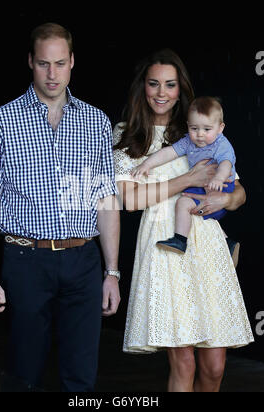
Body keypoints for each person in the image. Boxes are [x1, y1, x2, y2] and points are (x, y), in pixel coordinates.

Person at [0, 23, 121, 392]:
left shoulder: (96, 122)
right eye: (43, 64)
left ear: (72, 62)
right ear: (30, 62)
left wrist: (112, 272)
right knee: (23, 376)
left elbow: (105, 198)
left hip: (84, 261)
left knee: (81, 380)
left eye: (59, 63)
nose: (52, 74)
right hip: (26, 261)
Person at [113, 49, 254, 392]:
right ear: (142, 88)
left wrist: (228, 198)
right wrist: (187, 181)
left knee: (215, 366)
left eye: (170, 85)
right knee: (185, 361)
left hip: (205, 242)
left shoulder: (196, 129)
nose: (162, 92)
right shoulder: (126, 133)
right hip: (165, 244)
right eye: (154, 84)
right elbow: (129, 199)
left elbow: (238, 191)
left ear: (181, 89)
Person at [131, 96, 239, 261]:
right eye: (194, 128)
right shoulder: (189, 141)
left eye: (207, 129)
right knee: (193, 205)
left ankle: (180, 240)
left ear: (220, 128)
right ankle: (227, 242)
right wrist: (146, 164)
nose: (200, 135)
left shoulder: (221, 144)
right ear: (188, 126)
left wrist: (218, 178)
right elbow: (168, 152)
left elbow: (226, 163)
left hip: (222, 185)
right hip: (204, 185)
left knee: (183, 203)